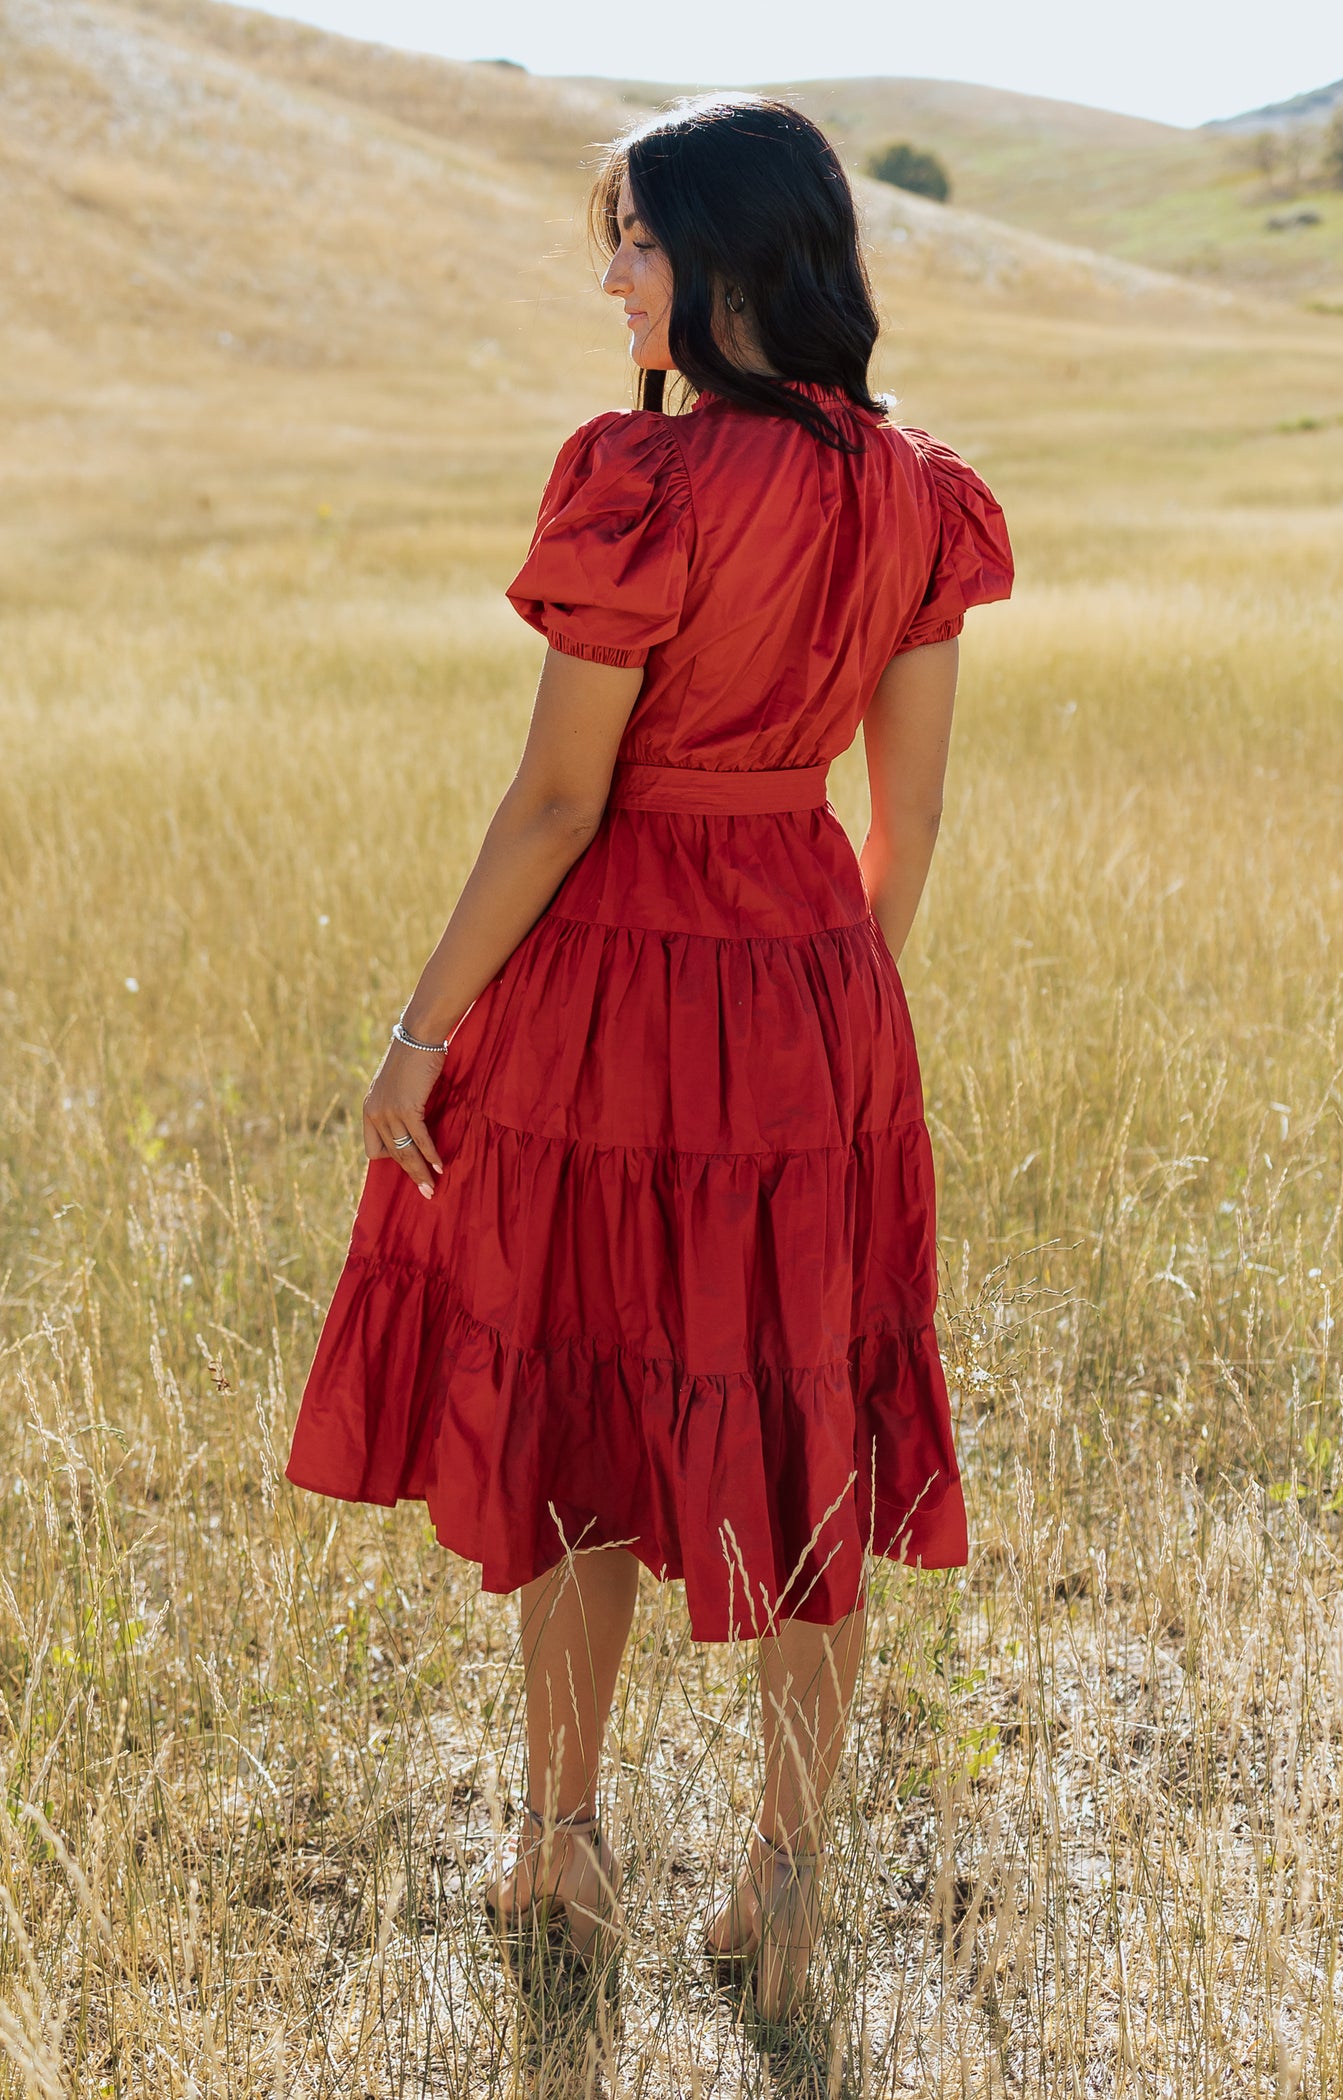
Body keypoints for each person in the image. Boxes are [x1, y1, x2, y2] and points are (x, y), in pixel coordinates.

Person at [284, 93, 1013, 2019]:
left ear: (723, 256)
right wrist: (831, 1025)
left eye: (630, 242)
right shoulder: (921, 490)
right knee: (809, 1428)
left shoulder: (643, 479)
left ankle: (564, 1845)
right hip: (819, 989)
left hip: (610, 988)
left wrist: (419, 1032)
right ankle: (784, 1890)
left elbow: (553, 799)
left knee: (579, 1411)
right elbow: (911, 820)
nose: (613, 281)